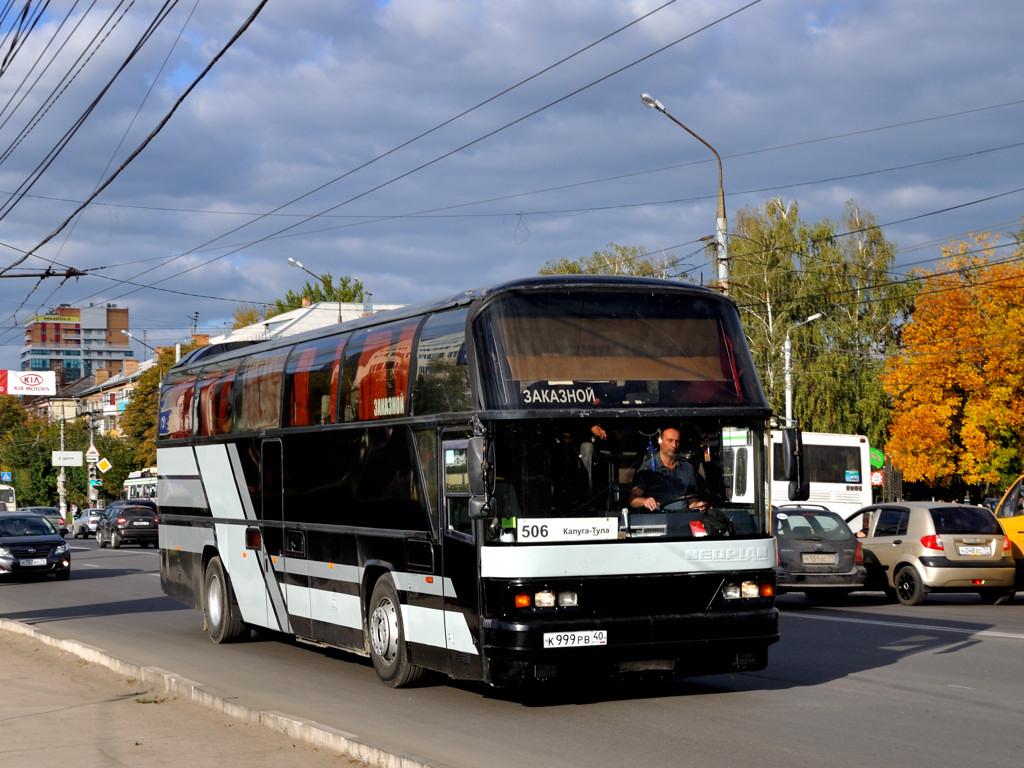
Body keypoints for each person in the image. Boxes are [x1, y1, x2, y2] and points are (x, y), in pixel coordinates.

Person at [629, 427, 698, 511]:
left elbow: (692, 500)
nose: (674, 445)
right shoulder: (648, 468)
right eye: (670, 440)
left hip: (682, 519)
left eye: (677, 441)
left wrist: (699, 505)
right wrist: (644, 501)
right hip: (657, 520)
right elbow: (632, 500)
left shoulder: (687, 468)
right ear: (660, 441)